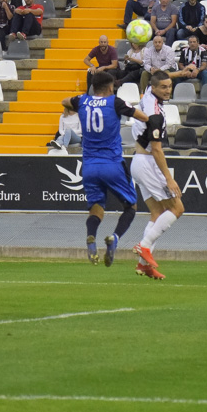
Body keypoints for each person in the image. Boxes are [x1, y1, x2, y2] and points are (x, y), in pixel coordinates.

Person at [61, 71, 149, 266]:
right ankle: (115, 238)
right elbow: (142, 116)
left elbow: (65, 101)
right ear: (110, 88)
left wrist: (80, 103)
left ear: (93, 87)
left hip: (90, 166)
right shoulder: (115, 102)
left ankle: (91, 237)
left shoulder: (82, 101)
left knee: (96, 209)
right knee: (131, 206)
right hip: (112, 164)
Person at [130, 71, 181, 280]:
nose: (168, 90)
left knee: (157, 214)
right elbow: (157, 149)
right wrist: (169, 178)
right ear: (154, 87)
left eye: (169, 86)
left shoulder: (148, 97)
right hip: (148, 163)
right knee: (177, 207)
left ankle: (144, 266)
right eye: (163, 87)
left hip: (138, 162)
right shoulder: (155, 114)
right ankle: (144, 246)